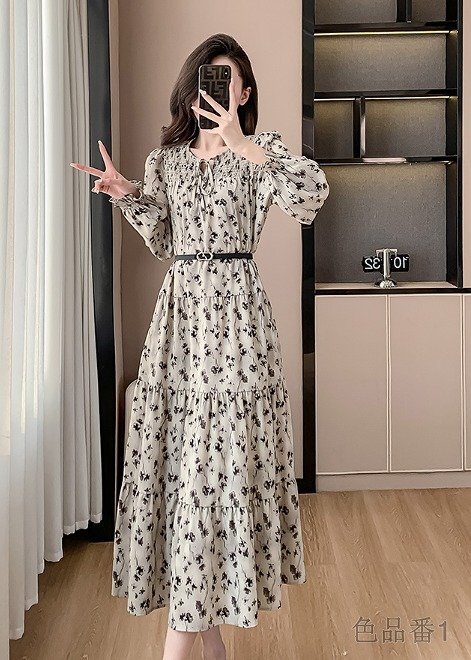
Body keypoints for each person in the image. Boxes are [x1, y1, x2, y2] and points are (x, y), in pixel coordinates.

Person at [70, 32, 329, 660]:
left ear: (244, 92)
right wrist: (128, 195)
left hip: (239, 326)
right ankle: (206, 643)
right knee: (188, 471)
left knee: (223, 467)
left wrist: (244, 146)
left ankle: (185, 641)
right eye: (205, 79)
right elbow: (165, 241)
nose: (214, 89)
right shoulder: (168, 160)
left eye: (227, 79)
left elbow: (311, 196)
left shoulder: (261, 151)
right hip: (181, 324)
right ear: (191, 91)